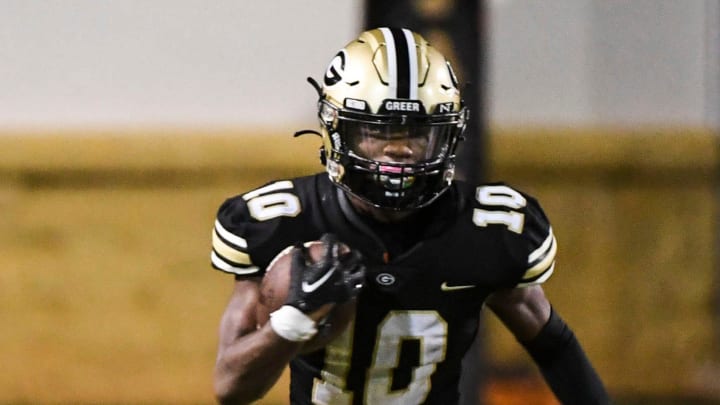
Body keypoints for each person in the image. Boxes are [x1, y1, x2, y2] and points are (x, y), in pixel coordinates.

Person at [210, 27, 610, 405]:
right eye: (378, 132)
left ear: (450, 136)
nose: (397, 150)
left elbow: (555, 347)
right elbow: (230, 388)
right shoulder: (282, 220)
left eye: (418, 132)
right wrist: (292, 322)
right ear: (336, 131)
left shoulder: (490, 228)